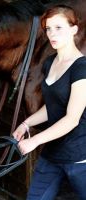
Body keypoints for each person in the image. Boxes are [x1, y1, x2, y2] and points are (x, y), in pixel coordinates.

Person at [12, 5, 86, 200]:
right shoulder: (49, 62)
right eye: (48, 29)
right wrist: (26, 123)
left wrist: (35, 140)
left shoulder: (81, 69)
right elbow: (52, 106)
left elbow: (72, 119)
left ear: (74, 29)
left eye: (59, 27)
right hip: (52, 155)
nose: (52, 34)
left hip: (80, 159)